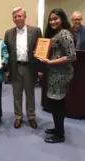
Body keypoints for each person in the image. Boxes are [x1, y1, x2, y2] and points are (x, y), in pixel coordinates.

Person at [38, 8, 76, 143]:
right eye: (51, 19)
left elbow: (71, 56)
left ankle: (60, 135)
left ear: (62, 19)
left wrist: (51, 62)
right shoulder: (57, 33)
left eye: (56, 18)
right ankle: (57, 128)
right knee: (55, 103)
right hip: (54, 73)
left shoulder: (65, 34)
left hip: (61, 74)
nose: (53, 21)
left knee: (58, 103)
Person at [4, 7, 42, 129]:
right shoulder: (8, 33)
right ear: (13, 18)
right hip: (15, 67)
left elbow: (41, 50)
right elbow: (7, 52)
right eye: (15, 16)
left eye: (20, 16)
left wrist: (41, 68)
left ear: (25, 17)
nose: (17, 18)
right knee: (17, 94)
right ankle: (18, 117)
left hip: (30, 67)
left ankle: (31, 116)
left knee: (30, 93)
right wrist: (7, 70)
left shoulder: (36, 31)